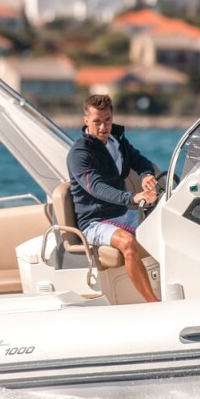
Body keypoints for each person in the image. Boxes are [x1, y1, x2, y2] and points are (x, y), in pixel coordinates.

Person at [67, 94, 160, 303]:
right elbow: (96, 187)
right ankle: (153, 303)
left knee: (168, 224)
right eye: (97, 121)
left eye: (107, 120)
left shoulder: (117, 140)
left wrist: (146, 175)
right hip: (94, 222)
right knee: (127, 242)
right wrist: (133, 198)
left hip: (122, 214)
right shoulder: (79, 153)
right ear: (86, 121)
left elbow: (140, 160)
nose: (103, 127)